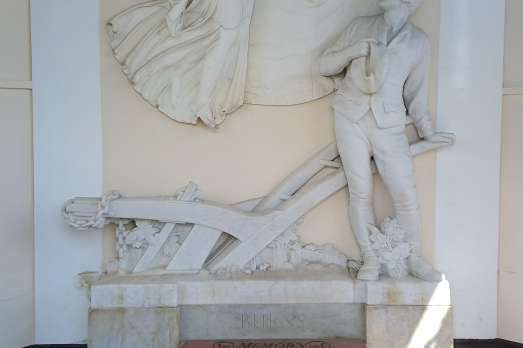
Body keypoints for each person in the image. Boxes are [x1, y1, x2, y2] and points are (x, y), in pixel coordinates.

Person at [319, 0, 454, 281]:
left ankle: (414, 257)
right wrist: (354, 50)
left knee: (405, 193)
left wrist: (427, 131)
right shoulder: (360, 26)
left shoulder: (419, 41)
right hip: (350, 117)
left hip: (389, 124)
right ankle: (370, 257)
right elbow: (325, 65)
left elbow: (416, 94)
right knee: (360, 192)